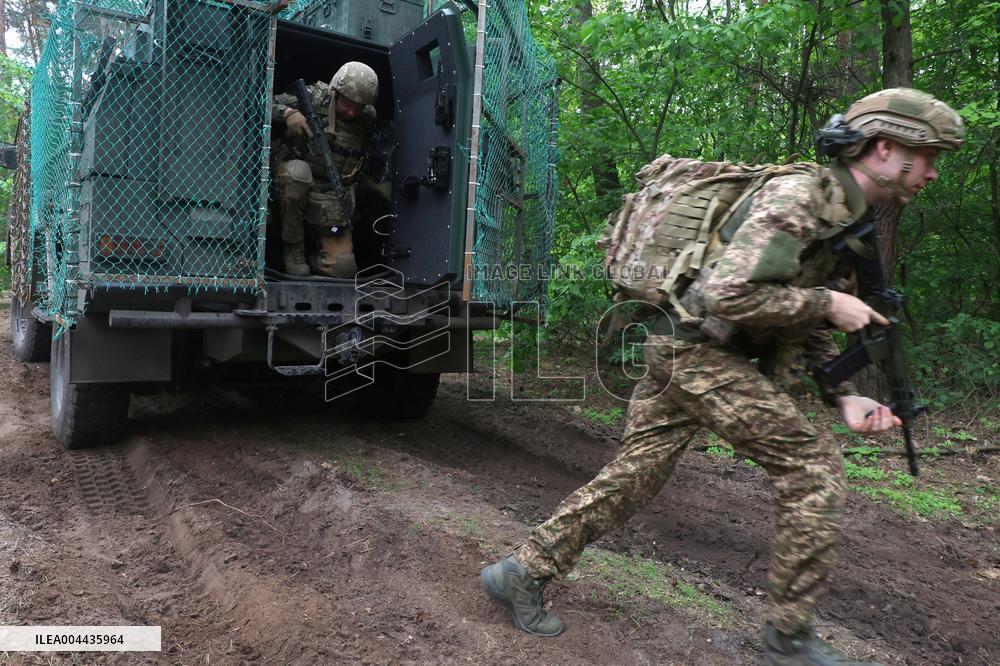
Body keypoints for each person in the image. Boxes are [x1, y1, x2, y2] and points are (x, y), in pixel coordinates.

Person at [480, 88, 964, 665]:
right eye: (928, 156)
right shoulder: (800, 199)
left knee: (633, 477)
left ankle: (521, 572)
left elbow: (796, 309)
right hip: (698, 355)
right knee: (813, 468)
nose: (932, 173)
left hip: (684, 349)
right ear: (885, 148)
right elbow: (728, 292)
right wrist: (828, 306)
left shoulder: (842, 213)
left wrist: (844, 393)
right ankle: (789, 639)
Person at [271, 61, 378, 277]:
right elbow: (259, 100)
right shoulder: (313, 97)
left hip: (331, 193)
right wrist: (287, 112)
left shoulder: (367, 117)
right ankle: (293, 250)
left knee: (345, 269)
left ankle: (315, 254)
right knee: (298, 175)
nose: (352, 112)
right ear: (335, 91)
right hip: (294, 180)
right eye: (347, 104)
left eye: (358, 107)